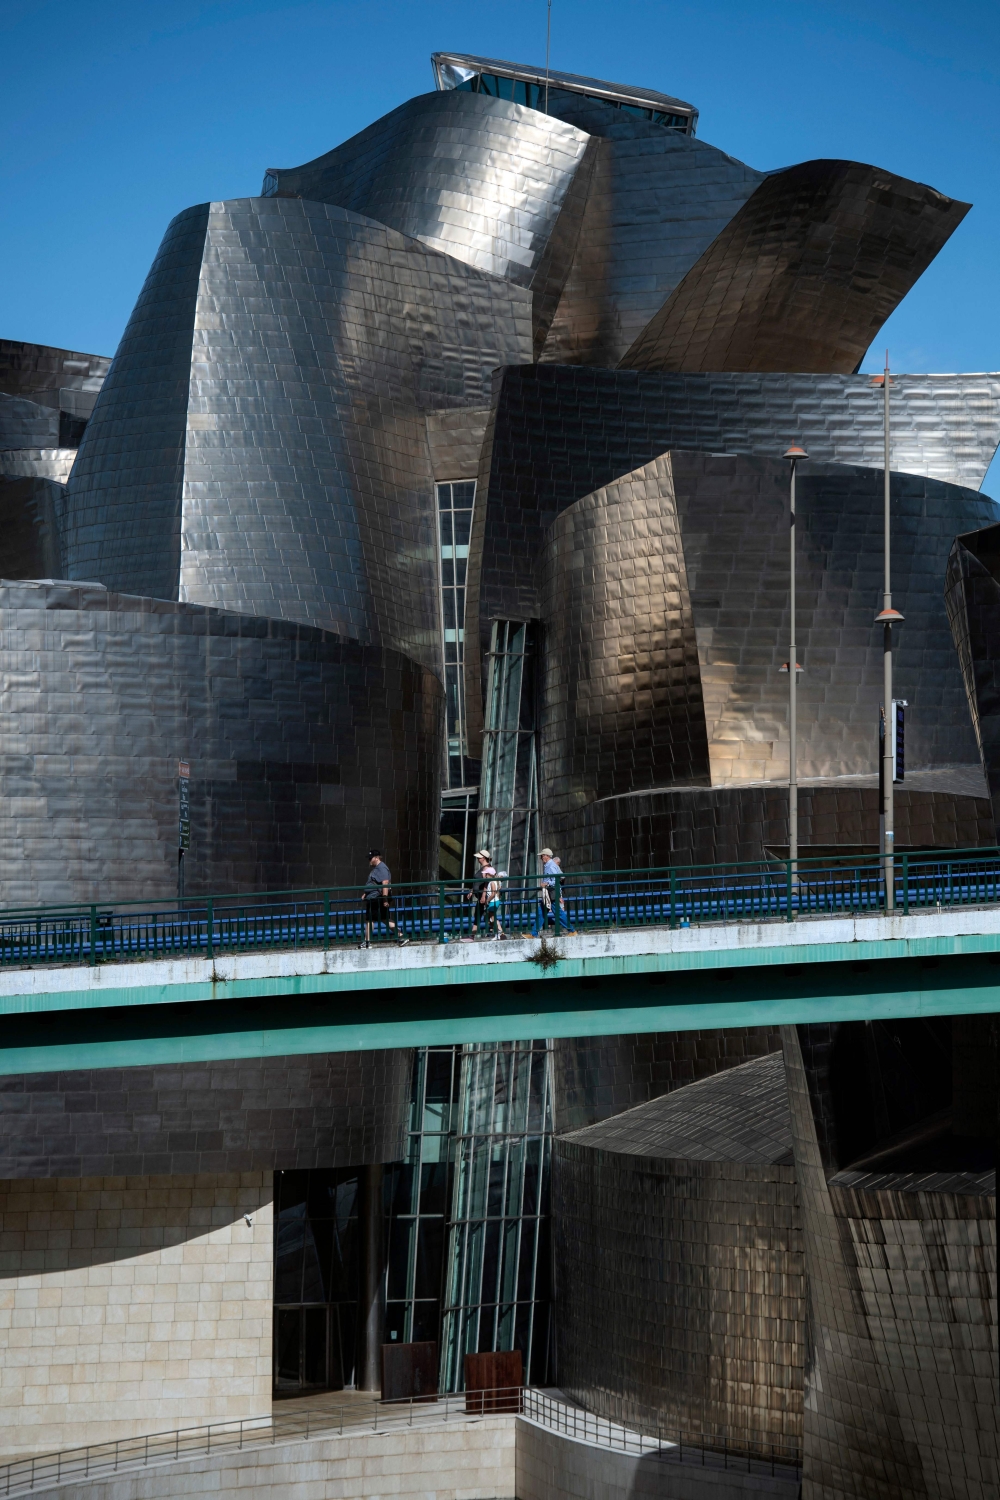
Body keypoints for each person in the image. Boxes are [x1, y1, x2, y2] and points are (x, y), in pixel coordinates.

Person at [360, 849, 408, 948]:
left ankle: (367, 942)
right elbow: (375, 883)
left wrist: (384, 899)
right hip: (375, 897)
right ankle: (401, 937)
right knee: (384, 919)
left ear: (377, 858)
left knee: (370, 920)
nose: (369, 860)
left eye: (370, 858)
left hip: (376, 898)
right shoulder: (377, 868)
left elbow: (385, 883)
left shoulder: (381, 868)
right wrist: (366, 893)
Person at [461, 850, 493, 941]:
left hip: (484, 896)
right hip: (479, 896)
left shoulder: (488, 869)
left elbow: (487, 883)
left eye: (479, 857)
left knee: (489, 916)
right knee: (479, 915)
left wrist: (483, 895)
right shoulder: (482, 868)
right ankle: (473, 935)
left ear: (483, 858)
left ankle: (497, 932)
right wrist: (472, 890)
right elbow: (478, 882)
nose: (478, 859)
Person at [536, 847, 567, 933]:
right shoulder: (549, 865)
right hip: (549, 892)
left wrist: (546, 884)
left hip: (551, 892)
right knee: (541, 912)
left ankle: (571, 929)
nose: (541, 858)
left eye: (542, 856)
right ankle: (534, 933)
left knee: (557, 912)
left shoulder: (550, 866)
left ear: (546, 856)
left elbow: (555, 879)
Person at [484, 869, 507, 940]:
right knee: (491, 917)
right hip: (495, 901)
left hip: (493, 902)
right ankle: (498, 933)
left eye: (486, 874)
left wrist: (487, 900)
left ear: (490, 875)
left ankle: (500, 932)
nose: (485, 876)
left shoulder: (492, 882)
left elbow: (493, 894)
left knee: (493, 917)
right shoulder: (496, 882)